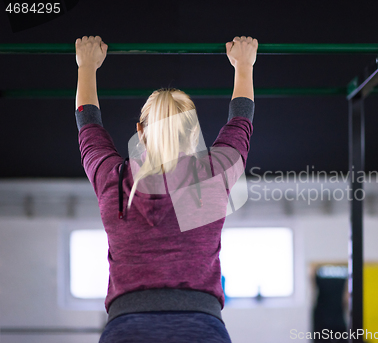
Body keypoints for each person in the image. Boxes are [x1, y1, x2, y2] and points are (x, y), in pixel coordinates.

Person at [74, 35, 258, 343]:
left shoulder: (113, 180)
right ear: (193, 132)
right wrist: (244, 65)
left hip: (127, 329)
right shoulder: (213, 175)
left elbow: (88, 125)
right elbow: (241, 121)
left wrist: (87, 66)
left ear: (140, 132)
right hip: (200, 328)